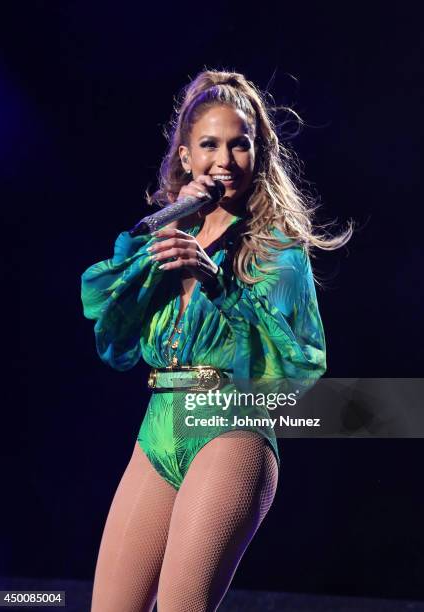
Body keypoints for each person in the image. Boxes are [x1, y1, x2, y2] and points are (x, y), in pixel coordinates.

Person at [81, 69, 352, 612]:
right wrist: (154, 251)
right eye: (209, 144)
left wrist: (220, 284)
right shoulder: (164, 239)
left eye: (240, 144)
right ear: (185, 156)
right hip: (158, 426)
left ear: (259, 155)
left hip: (229, 424)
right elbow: (113, 340)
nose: (224, 159)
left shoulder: (276, 248)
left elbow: (300, 364)